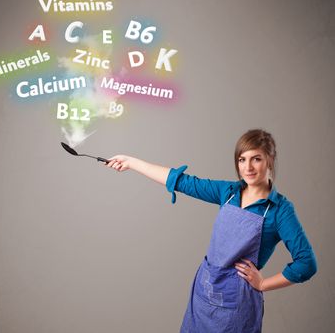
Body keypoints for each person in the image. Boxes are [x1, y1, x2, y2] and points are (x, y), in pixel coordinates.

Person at [104, 129, 317, 332]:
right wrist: (131, 162)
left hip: (237, 308)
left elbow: (306, 263)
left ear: (270, 160)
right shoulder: (229, 192)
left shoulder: (280, 211)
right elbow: (181, 181)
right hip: (204, 293)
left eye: (256, 159)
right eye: (242, 159)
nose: (248, 167)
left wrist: (262, 283)